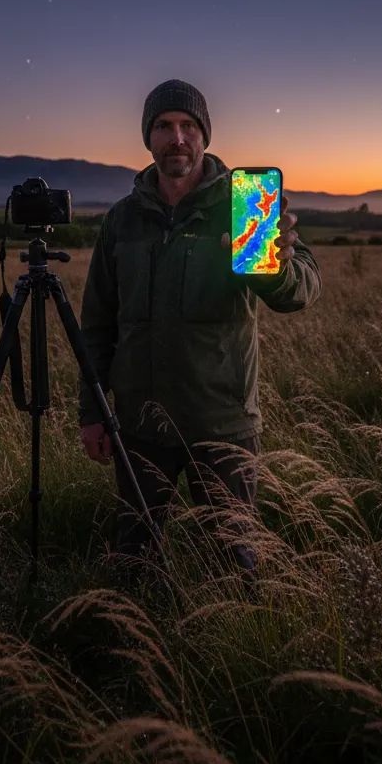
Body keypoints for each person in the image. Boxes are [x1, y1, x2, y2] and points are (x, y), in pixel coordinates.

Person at [78, 79, 322, 574]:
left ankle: (235, 648)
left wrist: (274, 268)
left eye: (189, 126)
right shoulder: (122, 221)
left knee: (234, 562)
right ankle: (130, 640)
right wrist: (92, 410)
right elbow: (97, 324)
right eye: (164, 127)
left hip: (223, 424)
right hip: (140, 424)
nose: (178, 138)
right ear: (148, 138)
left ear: (205, 135)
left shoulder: (245, 205)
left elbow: (302, 289)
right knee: (133, 556)